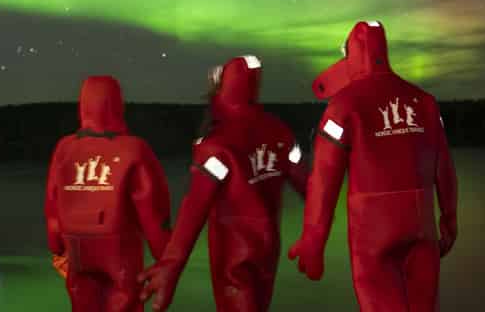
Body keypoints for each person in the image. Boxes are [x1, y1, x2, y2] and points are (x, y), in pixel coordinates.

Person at [288, 21, 458, 312]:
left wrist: (314, 240)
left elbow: (324, 179)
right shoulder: (426, 103)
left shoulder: (343, 107)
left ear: (352, 55)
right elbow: (444, 167)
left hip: (373, 234)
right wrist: (449, 220)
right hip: (423, 228)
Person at [138, 55, 308, 312]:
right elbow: (308, 185)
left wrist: (172, 263)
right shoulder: (280, 132)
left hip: (233, 249)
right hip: (268, 245)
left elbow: (195, 206)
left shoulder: (216, 145)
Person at [45, 75, 173, 312]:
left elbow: (53, 202)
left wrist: (56, 246)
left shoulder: (65, 148)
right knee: (123, 302)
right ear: (118, 105)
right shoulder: (134, 149)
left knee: (82, 304)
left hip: (77, 249)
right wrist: (166, 257)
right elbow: (153, 211)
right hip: (119, 251)